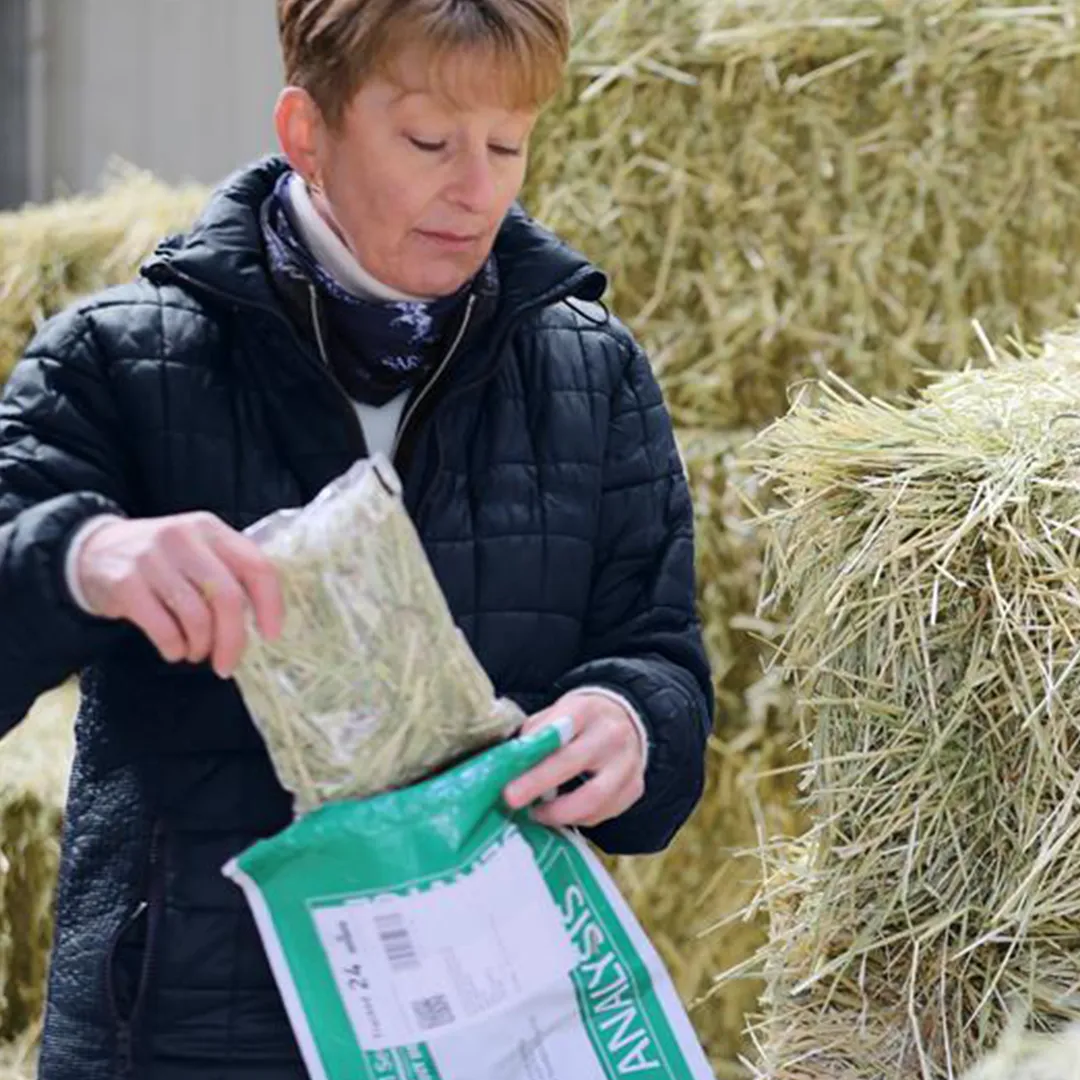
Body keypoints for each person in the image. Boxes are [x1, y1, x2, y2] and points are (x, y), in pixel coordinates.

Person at [0, 1, 714, 1076]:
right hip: (186, 1035)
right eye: (429, 142)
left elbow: (659, 655)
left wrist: (631, 723)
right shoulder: (116, 360)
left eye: (507, 144)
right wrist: (85, 558)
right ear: (307, 132)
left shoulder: (592, 372)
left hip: (485, 1028)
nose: (476, 189)